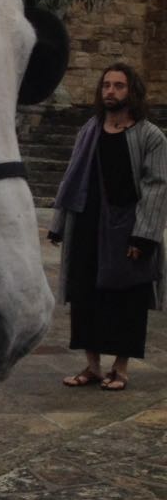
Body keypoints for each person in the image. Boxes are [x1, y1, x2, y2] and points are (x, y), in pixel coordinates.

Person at [50, 63, 167, 392]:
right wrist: (59, 223)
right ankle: (92, 365)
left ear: (132, 91)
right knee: (85, 293)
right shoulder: (89, 129)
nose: (111, 91)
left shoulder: (150, 136)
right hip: (87, 221)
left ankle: (121, 368)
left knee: (126, 296)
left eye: (118, 86)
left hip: (126, 226)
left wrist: (143, 236)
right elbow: (72, 176)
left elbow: (157, 187)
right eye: (106, 86)